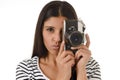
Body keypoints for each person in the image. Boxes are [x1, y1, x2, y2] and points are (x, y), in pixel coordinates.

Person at [16, 1, 101, 80]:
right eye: (50, 29)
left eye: (63, 31)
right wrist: (63, 76)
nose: (57, 39)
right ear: (40, 31)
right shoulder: (27, 69)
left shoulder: (90, 66)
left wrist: (81, 70)